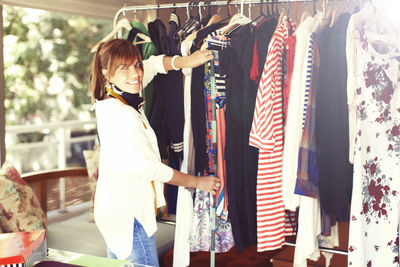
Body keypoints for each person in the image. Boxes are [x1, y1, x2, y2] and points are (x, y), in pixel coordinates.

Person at [88, 38, 220, 267]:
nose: (135, 74)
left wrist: (187, 61)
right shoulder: (121, 115)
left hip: (116, 209)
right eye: (124, 67)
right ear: (106, 73)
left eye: (135, 65)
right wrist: (199, 182)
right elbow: (152, 169)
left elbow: (153, 65)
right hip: (128, 216)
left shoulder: (112, 98)